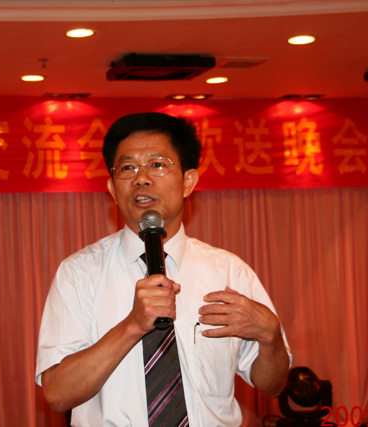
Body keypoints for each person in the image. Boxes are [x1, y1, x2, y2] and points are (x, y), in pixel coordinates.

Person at [35, 112, 291, 426]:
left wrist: (271, 336)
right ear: (113, 189)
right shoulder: (79, 273)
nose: (141, 178)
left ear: (188, 182)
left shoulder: (229, 272)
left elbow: (273, 385)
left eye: (157, 164)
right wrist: (132, 325)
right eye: (127, 168)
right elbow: (57, 394)